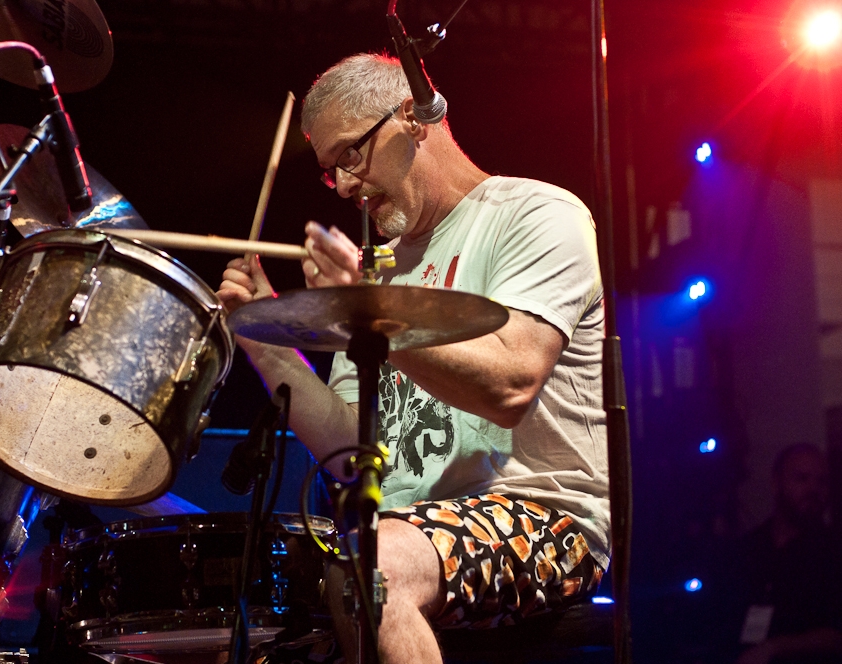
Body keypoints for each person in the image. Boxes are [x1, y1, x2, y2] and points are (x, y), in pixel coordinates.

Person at [217, 53, 610, 664]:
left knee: (368, 568)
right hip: (412, 526)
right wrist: (267, 345)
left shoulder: (536, 215)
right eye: (329, 172)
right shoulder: (383, 266)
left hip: (544, 514)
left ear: (412, 119)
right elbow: (355, 453)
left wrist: (371, 314)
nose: (344, 185)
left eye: (350, 154)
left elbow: (510, 386)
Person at [717, 443, 842, 664]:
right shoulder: (749, 546)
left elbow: (836, 633)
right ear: (777, 483)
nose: (813, 489)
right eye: (802, 478)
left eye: (821, 481)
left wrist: (773, 648)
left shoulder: (832, 551)